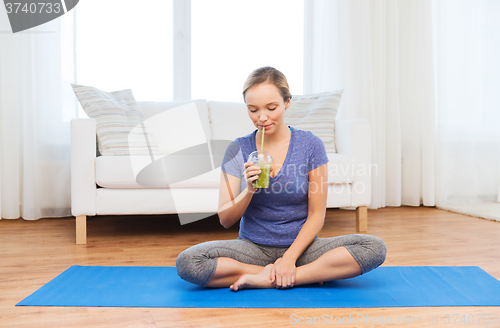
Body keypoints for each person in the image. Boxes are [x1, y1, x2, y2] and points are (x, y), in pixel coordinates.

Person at [176, 66, 386, 291]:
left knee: (373, 247)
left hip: (303, 249)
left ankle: (273, 276)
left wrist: (289, 259)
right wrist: (249, 190)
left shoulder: (310, 145)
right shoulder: (238, 149)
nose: (262, 118)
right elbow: (225, 220)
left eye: (271, 107)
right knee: (189, 262)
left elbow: (317, 215)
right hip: (252, 248)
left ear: (287, 102)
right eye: (253, 110)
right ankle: (295, 275)